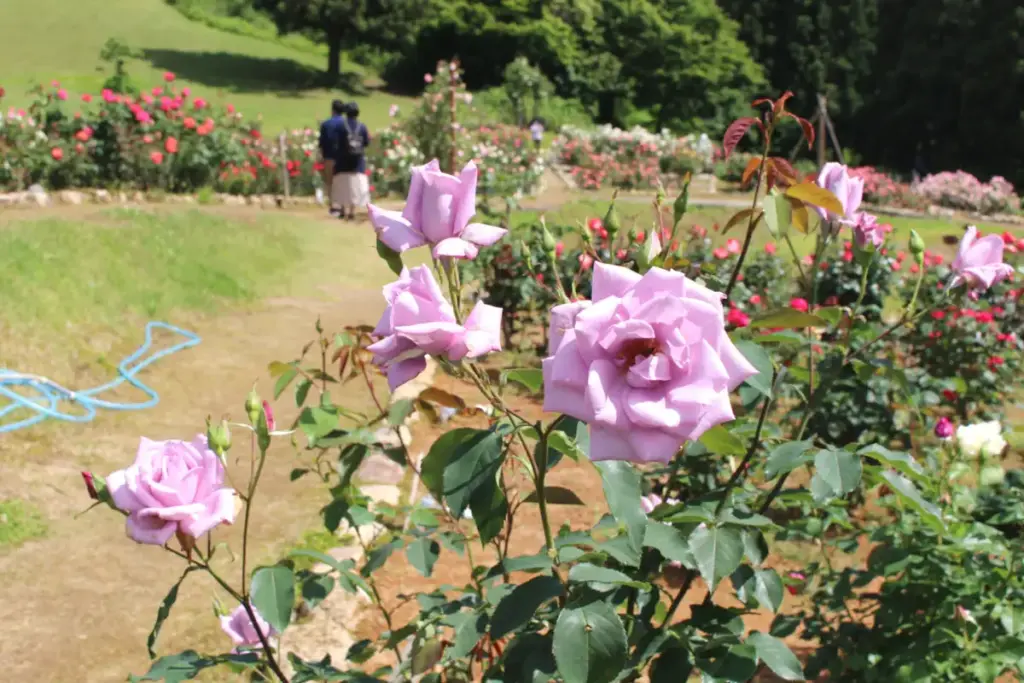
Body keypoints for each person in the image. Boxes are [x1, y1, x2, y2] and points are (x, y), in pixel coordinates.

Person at [333, 102, 371, 220]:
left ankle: (343, 209)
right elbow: (366, 143)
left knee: (343, 185)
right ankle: (352, 211)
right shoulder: (362, 127)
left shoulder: (341, 126)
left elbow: (336, 142)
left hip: (342, 161)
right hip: (357, 162)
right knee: (355, 186)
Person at [318, 100, 346, 217]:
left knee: (330, 182)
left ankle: (333, 206)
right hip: (343, 157)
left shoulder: (325, 124)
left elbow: (322, 143)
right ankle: (343, 206)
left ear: (332, 109)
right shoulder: (345, 124)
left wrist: (320, 156)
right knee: (342, 182)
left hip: (329, 156)